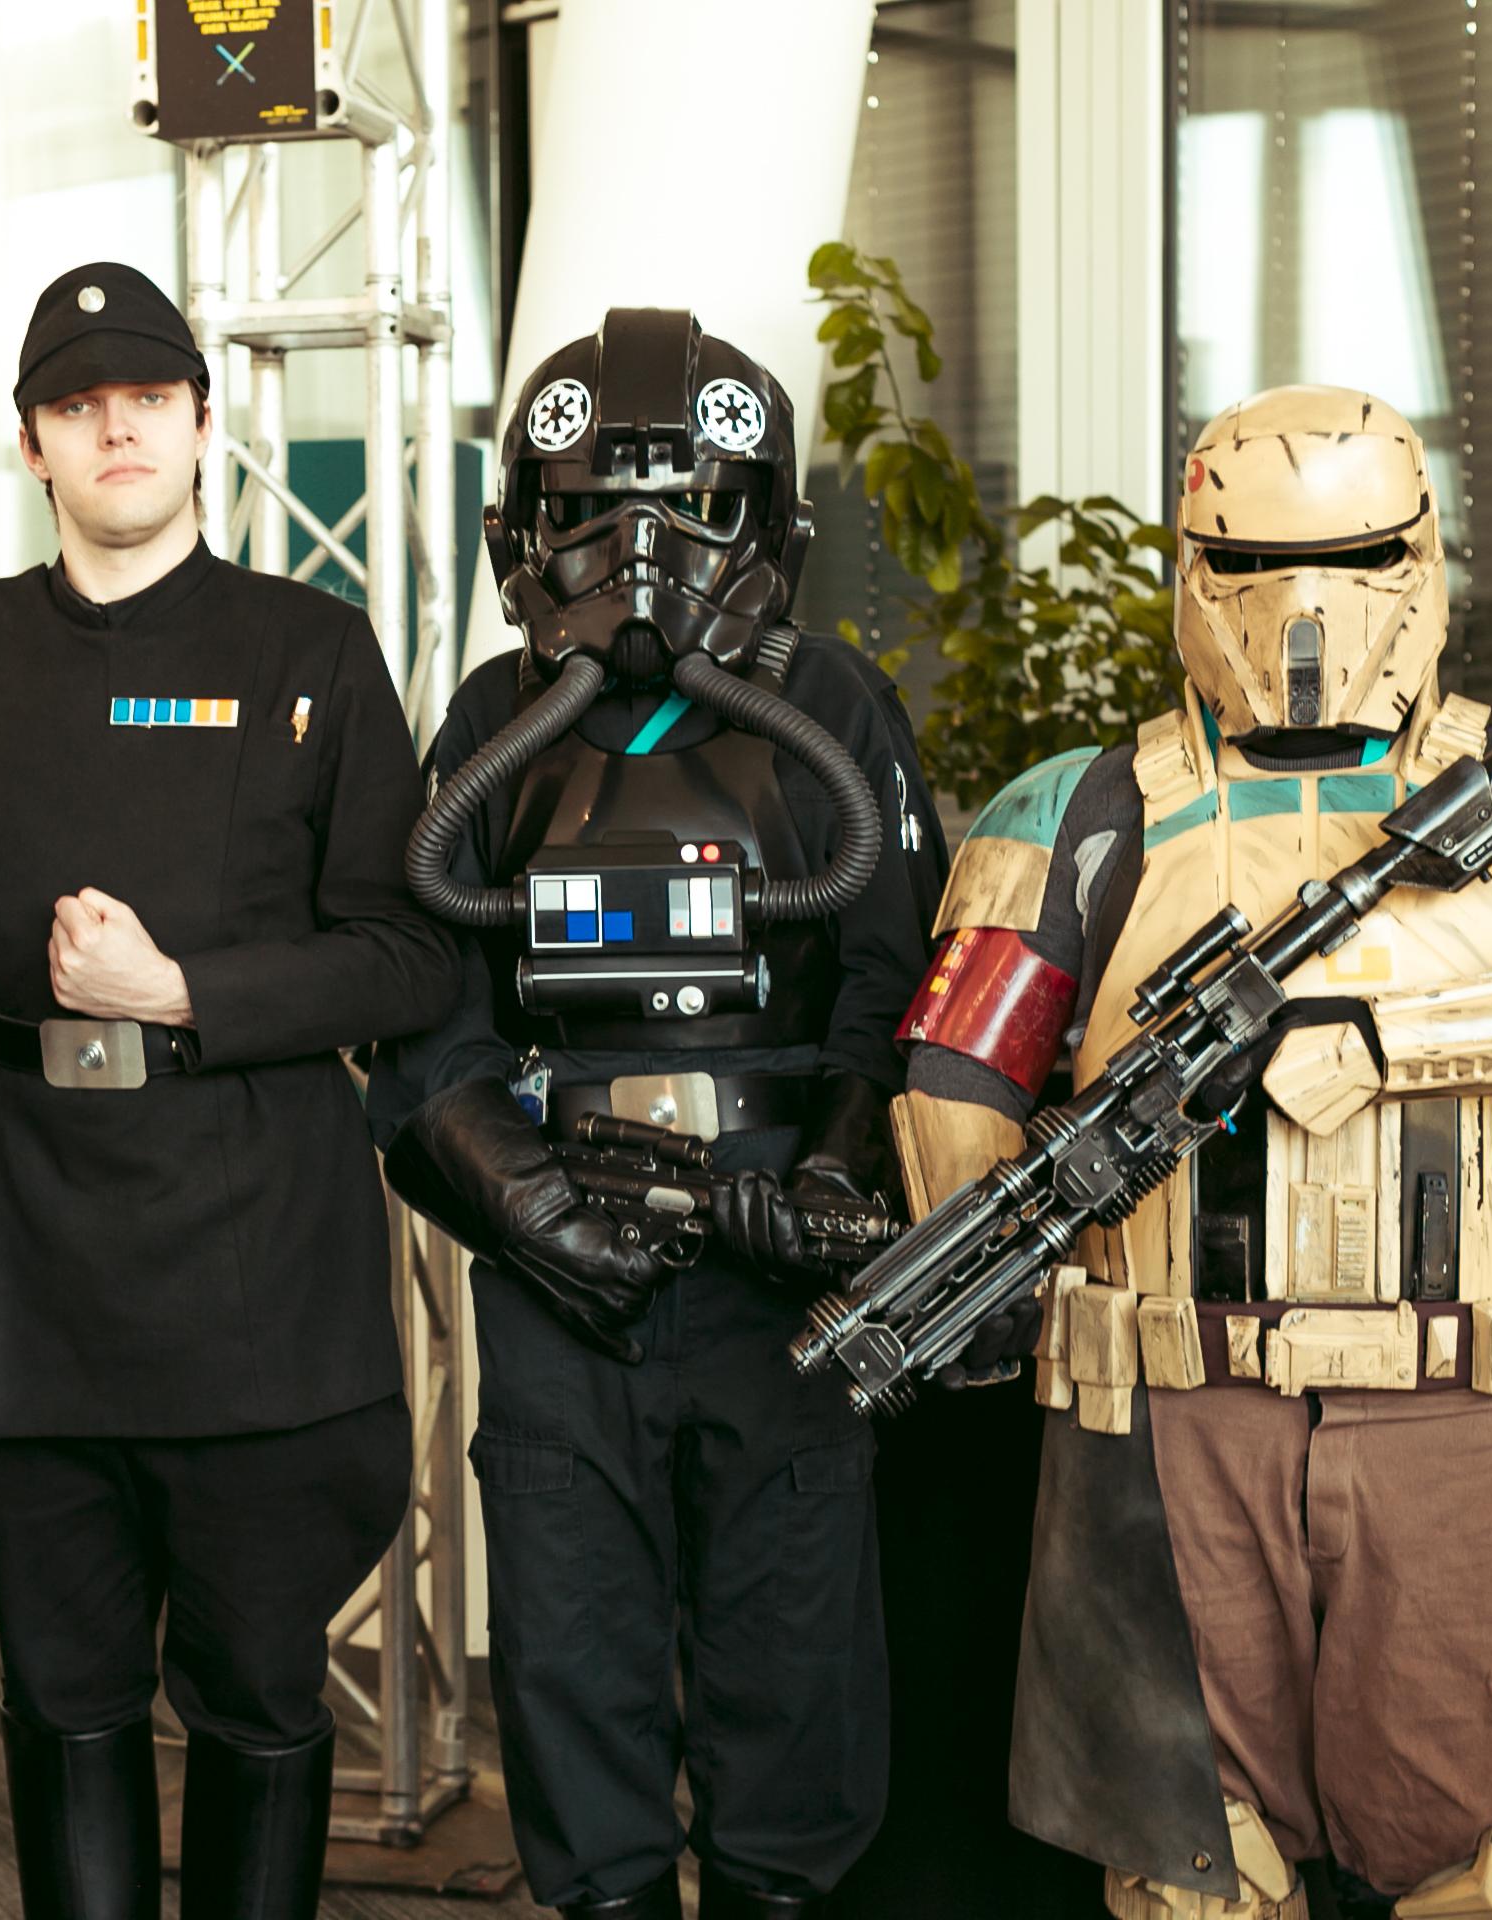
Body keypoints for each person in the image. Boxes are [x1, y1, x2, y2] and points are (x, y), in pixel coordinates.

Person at [893, 384, 1492, 1919]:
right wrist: (977, 1264)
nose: (1303, 605)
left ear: (1422, 560)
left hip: (1465, 1402)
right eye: (1248, 562)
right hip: (1174, 1409)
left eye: (1354, 557)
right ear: (1190, 571)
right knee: (1192, 1878)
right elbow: (957, 1075)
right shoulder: (1080, 807)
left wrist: (1375, 1041)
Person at [369, 309, 973, 1920]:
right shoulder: (489, 723)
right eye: (591, 511)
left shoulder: (831, 712)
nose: (640, 555)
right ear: (523, 530)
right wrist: (518, 1202)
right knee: (571, 1651)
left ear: (765, 525)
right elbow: (425, 1010)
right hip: (561, 1248)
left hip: (779, 1255)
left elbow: (896, 982)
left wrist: (832, 1174)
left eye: (690, 507)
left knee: (795, 1652)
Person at [0, 259, 460, 1920]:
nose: (117, 428)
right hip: (32, 1270)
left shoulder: (311, 647)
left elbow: (410, 960)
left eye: (148, 398)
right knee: (59, 1694)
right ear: (31, 447)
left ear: (205, 426)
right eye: (78, 407)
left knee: (258, 1696)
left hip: (257, 1270)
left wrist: (184, 994)